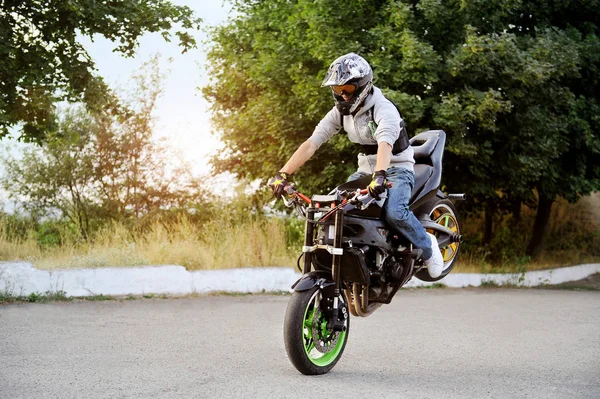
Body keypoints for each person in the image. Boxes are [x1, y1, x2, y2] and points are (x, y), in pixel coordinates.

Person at [268, 53, 444, 278]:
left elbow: (385, 144)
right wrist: (283, 173)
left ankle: (428, 247)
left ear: (362, 86)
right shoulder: (340, 113)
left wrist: (380, 174)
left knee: (396, 213)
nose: (342, 96)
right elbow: (312, 143)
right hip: (365, 171)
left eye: (347, 90)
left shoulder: (383, 108)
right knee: (330, 210)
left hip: (397, 169)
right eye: (337, 90)